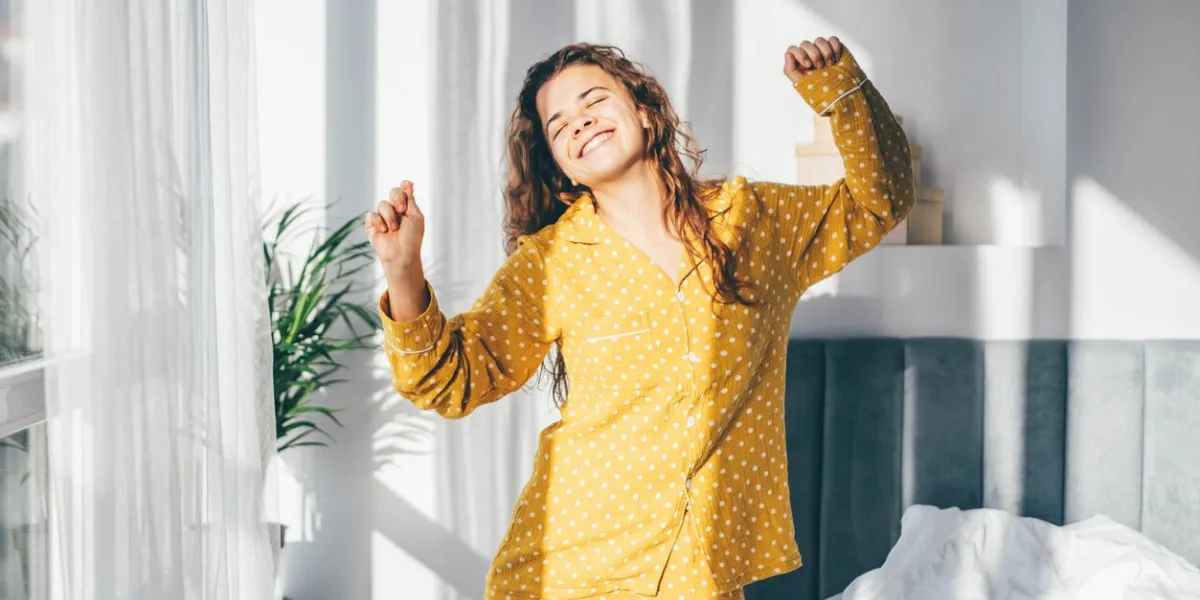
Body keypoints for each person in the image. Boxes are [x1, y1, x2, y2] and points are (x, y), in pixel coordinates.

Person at [366, 36, 914, 600]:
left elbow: (882, 201)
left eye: (594, 101)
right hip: (570, 570)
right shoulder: (549, 263)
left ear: (645, 112)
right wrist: (403, 271)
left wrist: (839, 90)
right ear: (561, 168)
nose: (580, 122)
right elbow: (450, 384)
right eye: (559, 126)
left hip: (703, 574)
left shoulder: (755, 221)